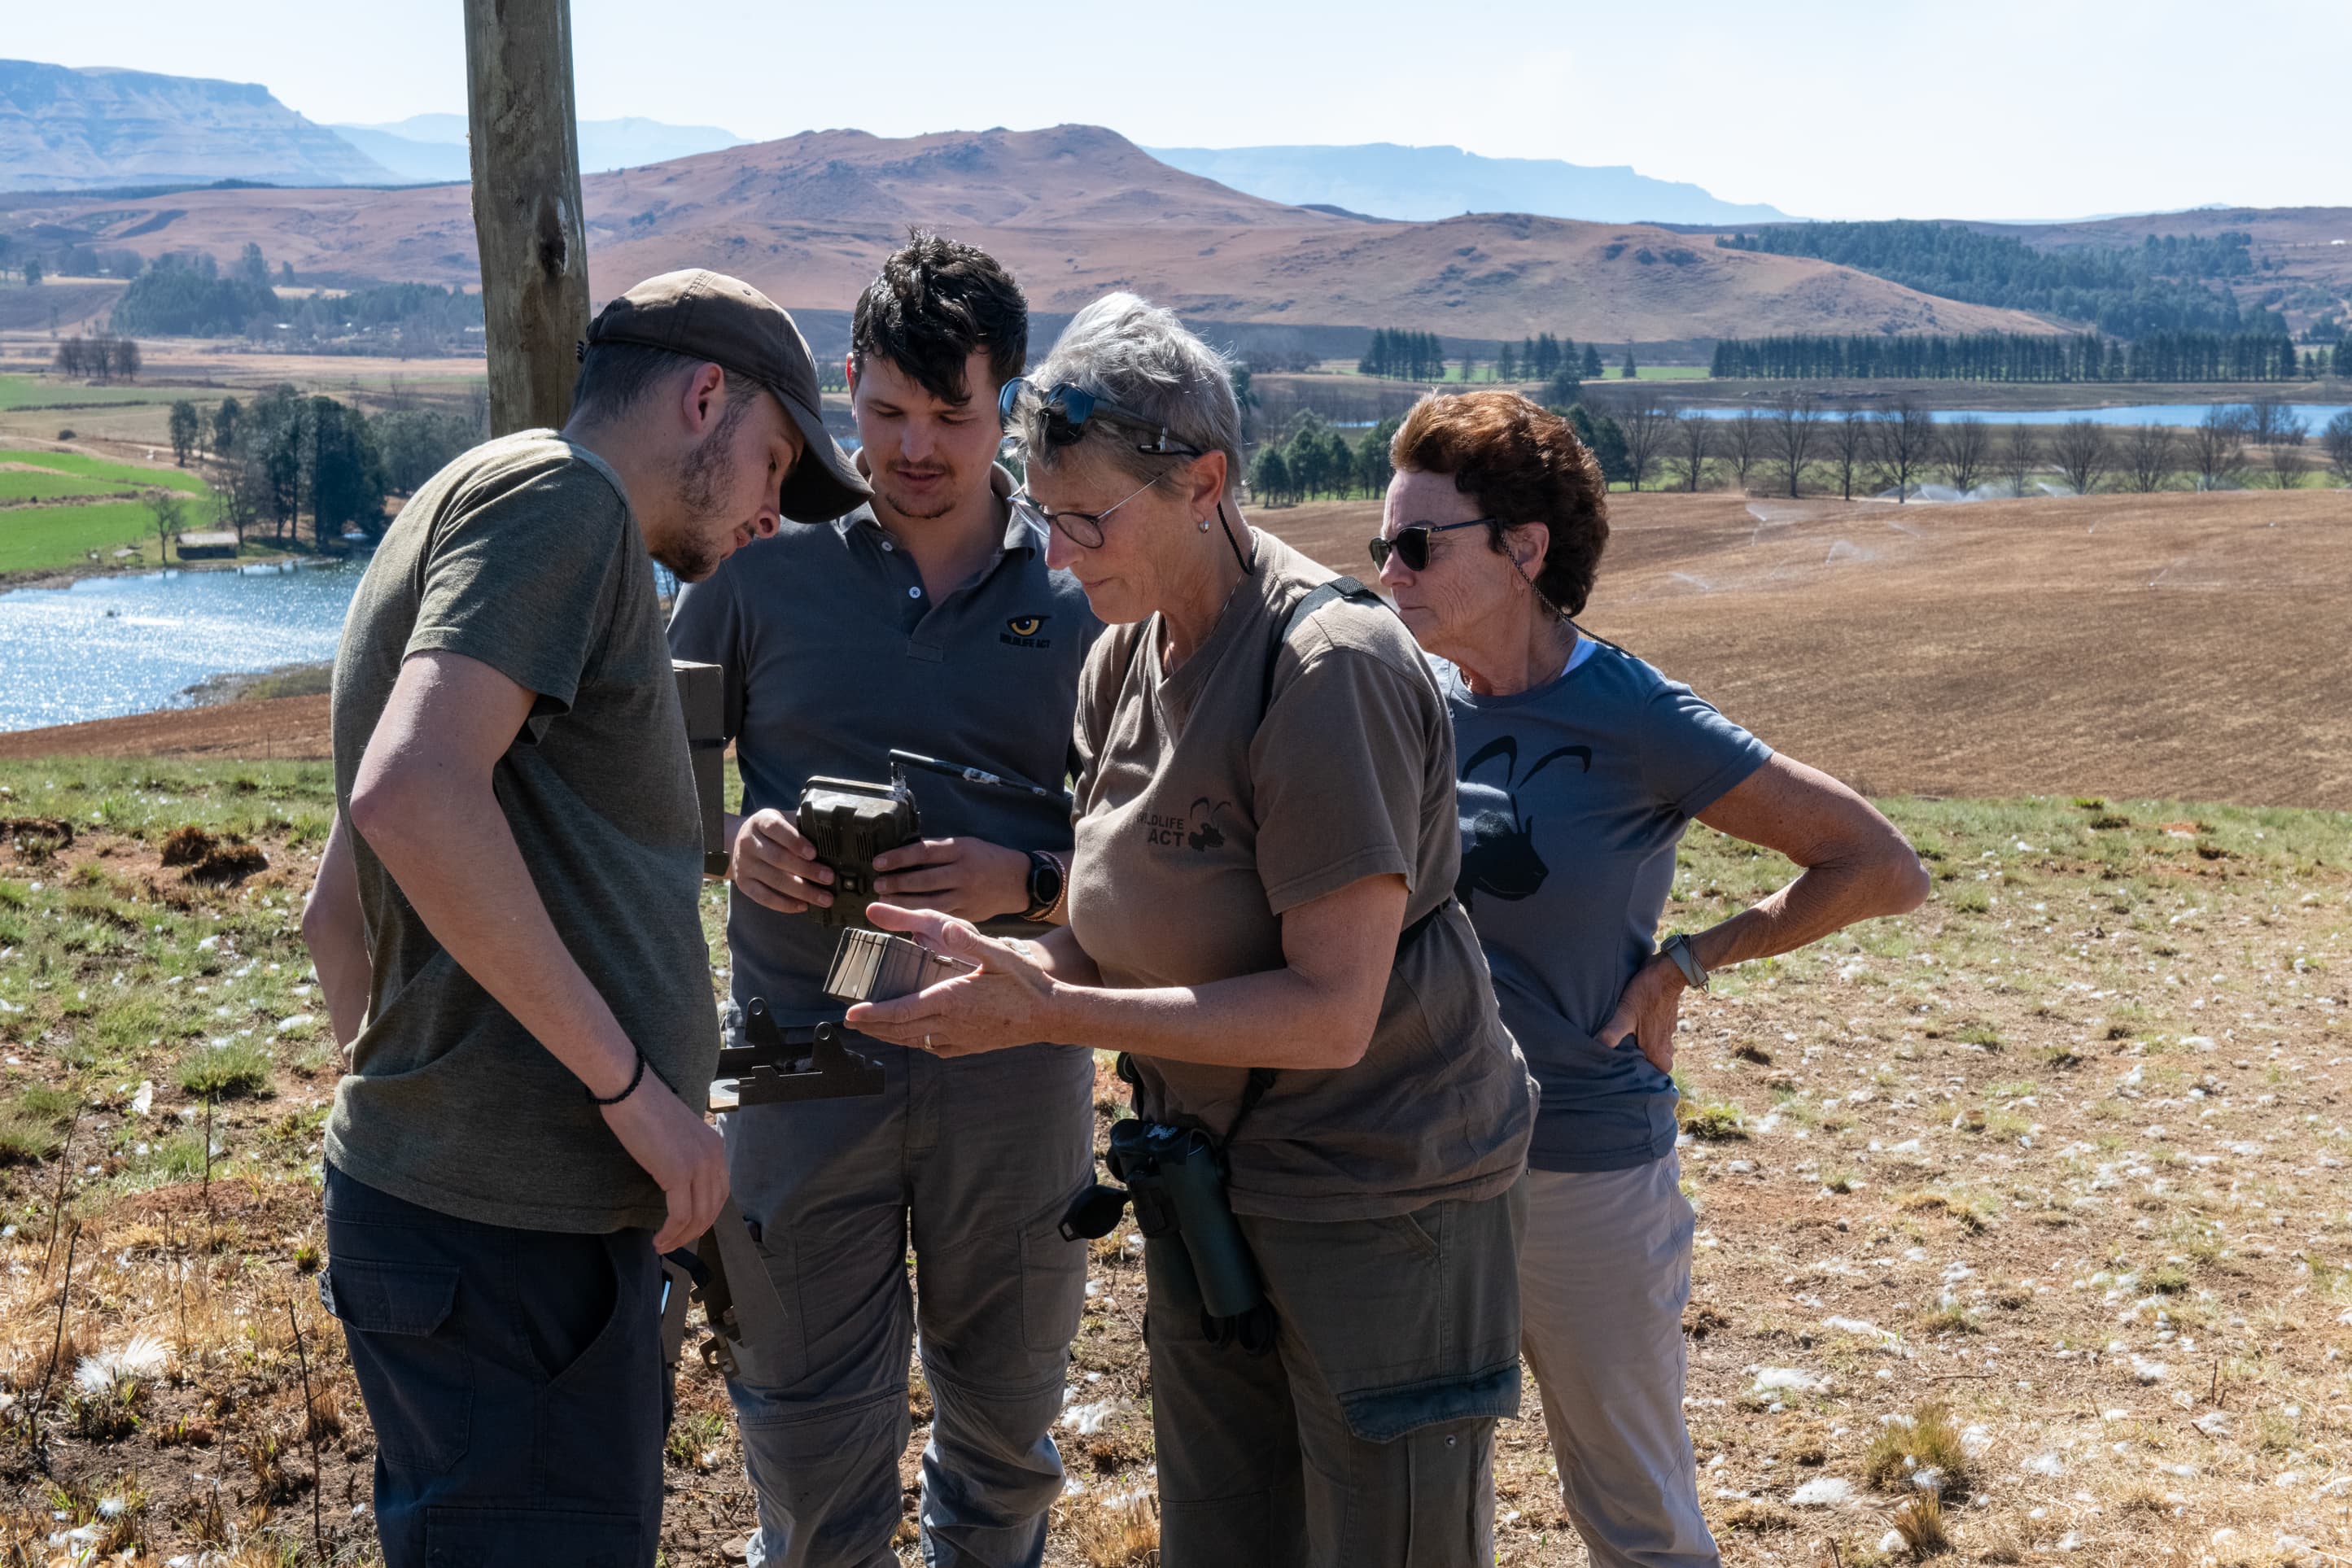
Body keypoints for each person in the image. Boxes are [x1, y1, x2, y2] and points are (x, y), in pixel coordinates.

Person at [837, 293, 1537, 1568]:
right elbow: (1118, 939)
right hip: (1210, 1188)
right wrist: (1000, 978)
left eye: (1088, 520)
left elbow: (1330, 1011)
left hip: (1383, 1205)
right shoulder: (1124, 657)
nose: (1057, 556)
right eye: (1046, 518)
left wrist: (1053, 1013)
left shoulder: (1325, 672)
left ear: (1204, 483)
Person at [301, 269, 868, 1567]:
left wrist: (412, 1128)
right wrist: (633, 1095)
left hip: (468, 1224)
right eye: (775, 462)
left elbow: (335, 909)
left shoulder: (471, 495)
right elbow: (410, 793)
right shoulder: (564, 507)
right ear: (704, 396)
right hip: (516, 1253)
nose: (774, 513)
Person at [1371, 389, 1930, 1568]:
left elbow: (1877, 864)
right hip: (1410, 1162)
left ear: (1524, 550)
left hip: (1579, 1168)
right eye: (1380, 544)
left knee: (1630, 1511)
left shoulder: (1627, 711)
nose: (1388, 573)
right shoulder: (1399, 692)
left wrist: (1688, 962)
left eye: (1418, 545)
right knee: (1410, 1507)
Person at [667, 234, 1104, 1568]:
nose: (915, 448)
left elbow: (1172, 854)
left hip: (1017, 1074)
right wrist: (737, 841)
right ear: (847, 386)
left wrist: (1022, 880)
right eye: (887, 413)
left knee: (1004, 1443)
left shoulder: (1091, 600)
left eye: (953, 417)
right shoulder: (752, 569)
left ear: (1008, 407)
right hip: (806, 1070)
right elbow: (655, 794)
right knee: (802, 1441)